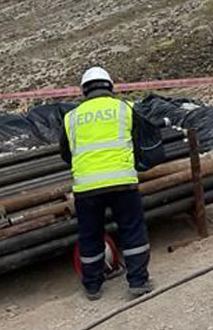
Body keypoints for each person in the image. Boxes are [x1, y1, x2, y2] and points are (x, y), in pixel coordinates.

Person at [59, 67, 165, 301]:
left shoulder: (72, 118)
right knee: (132, 230)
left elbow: (66, 154)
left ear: (84, 90)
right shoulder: (124, 109)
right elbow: (139, 145)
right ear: (110, 87)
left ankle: (92, 287)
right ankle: (138, 282)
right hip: (122, 182)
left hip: (86, 188)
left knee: (89, 235)